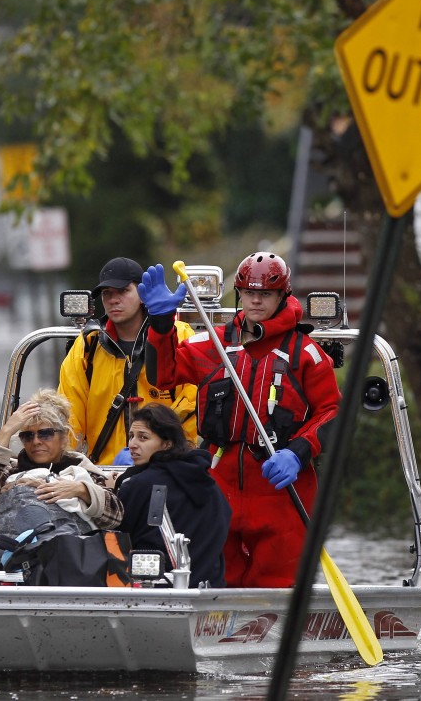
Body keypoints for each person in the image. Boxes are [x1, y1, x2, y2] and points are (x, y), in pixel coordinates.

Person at [138, 252, 340, 588]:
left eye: (266, 294)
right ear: (240, 294)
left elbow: (332, 414)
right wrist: (161, 324)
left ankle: (274, 638)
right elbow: (162, 375)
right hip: (221, 481)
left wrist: (299, 452)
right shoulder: (211, 343)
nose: (257, 300)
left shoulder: (305, 354)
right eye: (250, 293)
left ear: (282, 296)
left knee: (277, 583)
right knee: (217, 578)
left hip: (282, 487)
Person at [58, 256, 198, 466]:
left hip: (167, 470)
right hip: (104, 472)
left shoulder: (177, 336)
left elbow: (193, 402)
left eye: (123, 291)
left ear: (143, 294)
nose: (114, 300)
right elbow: (68, 413)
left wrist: (170, 456)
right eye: (107, 294)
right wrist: (65, 466)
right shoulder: (88, 346)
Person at [0, 388, 123, 560]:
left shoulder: (82, 470)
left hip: (73, 566)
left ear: (64, 437)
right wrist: (7, 430)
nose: (36, 441)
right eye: (27, 435)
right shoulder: (10, 473)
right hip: (17, 568)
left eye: (45, 433)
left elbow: (115, 517)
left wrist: (81, 490)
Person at [114, 404, 231, 588]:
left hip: (154, 592)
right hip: (209, 593)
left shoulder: (138, 485)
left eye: (143, 437)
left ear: (167, 444)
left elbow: (117, 538)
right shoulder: (210, 484)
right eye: (131, 436)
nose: (132, 445)